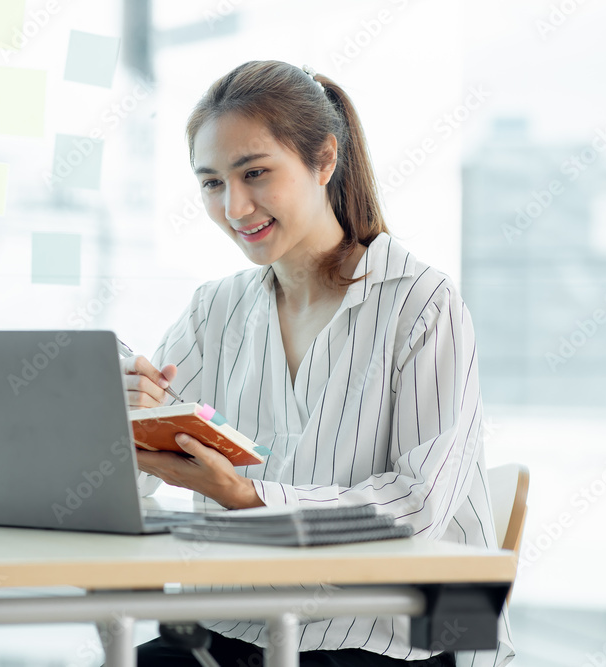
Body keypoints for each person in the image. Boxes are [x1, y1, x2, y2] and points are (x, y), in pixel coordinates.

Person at [120, 61, 516, 666]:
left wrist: (246, 495)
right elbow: (136, 476)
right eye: (212, 183)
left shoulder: (421, 302)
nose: (235, 205)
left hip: (391, 635)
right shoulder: (214, 310)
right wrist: (122, 419)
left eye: (255, 173)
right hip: (242, 625)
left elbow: (418, 505)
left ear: (324, 159)